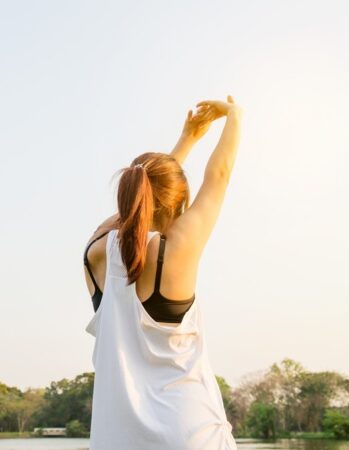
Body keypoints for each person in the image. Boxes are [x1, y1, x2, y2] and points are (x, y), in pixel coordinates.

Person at [82, 95, 242, 449]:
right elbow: (219, 175)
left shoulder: (95, 252)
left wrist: (185, 142)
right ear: (177, 204)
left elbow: (134, 210)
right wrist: (235, 114)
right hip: (190, 433)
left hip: (116, 440)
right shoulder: (177, 250)